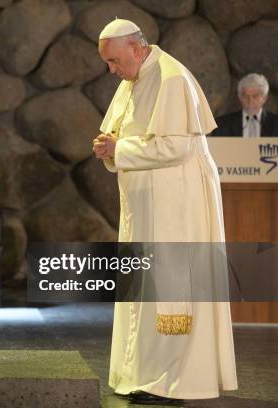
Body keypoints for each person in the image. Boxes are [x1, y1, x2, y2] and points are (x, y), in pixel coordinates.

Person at [91, 19, 238, 404]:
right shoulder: (135, 77)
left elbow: (176, 146)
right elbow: (127, 136)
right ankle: (139, 374)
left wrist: (118, 149)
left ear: (137, 49)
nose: (113, 70)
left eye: (115, 61)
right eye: (108, 63)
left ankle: (171, 382)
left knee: (171, 288)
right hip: (147, 203)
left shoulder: (171, 78)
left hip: (176, 200)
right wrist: (111, 146)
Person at [212, 73, 278, 137]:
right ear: (239, 97)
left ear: (265, 98)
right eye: (245, 96)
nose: (250, 101)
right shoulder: (221, 124)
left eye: (255, 96)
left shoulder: (275, 123)